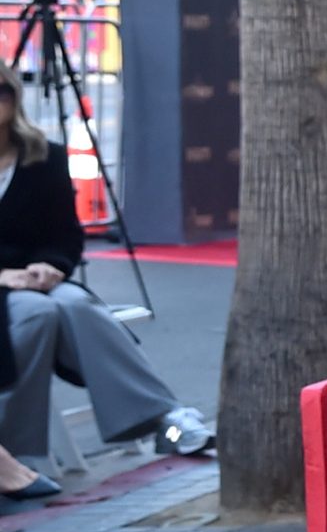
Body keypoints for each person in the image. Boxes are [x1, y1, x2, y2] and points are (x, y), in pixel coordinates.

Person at [0, 55, 214, 472]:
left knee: (72, 303)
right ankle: (20, 454)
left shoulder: (44, 157)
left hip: (36, 279)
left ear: (15, 97)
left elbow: (64, 235)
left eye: (2, 91)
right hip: (5, 288)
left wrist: (51, 266)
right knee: (38, 313)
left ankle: (164, 418)